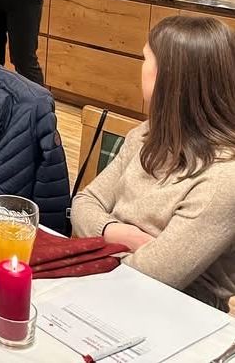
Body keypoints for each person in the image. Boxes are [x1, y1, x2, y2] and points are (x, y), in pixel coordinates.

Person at [72, 16, 235, 311]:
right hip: (111, 286)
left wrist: (99, 239)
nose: (141, 67)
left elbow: (154, 275)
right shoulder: (146, 135)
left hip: (180, 313)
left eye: (146, 59)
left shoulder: (224, 178)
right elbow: (83, 203)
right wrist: (126, 235)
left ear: (170, 78)